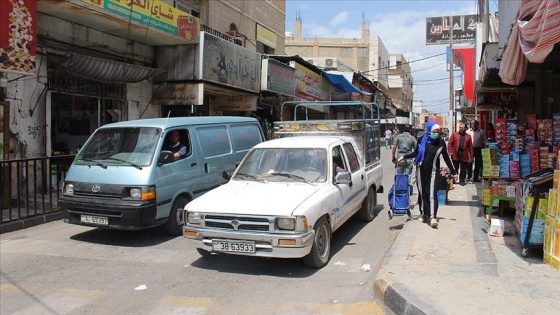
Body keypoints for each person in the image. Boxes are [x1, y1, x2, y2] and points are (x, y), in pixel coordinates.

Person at [398, 120, 457, 228]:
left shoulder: (440, 143)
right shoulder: (421, 140)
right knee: (423, 193)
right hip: (421, 170)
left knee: (432, 194)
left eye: (438, 131)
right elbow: (416, 153)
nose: (436, 133)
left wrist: (454, 172)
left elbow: (446, 158)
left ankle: (432, 217)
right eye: (434, 131)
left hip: (433, 172)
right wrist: (404, 157)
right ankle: (424, 214)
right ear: (429, 131)